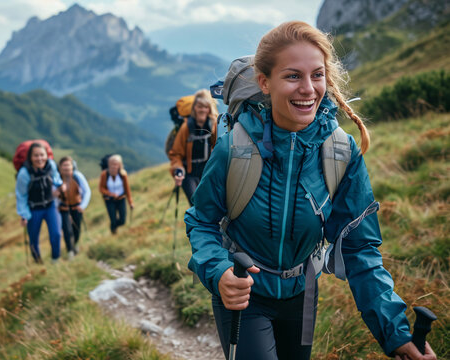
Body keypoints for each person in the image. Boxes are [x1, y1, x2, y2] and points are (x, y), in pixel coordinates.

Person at [185, 21, 437, 360]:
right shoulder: (235, 149)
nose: (308, 89)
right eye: (292, 76)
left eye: (317, 75)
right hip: (245, 293)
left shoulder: (341, 153)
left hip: (302, 293)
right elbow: (202, 222)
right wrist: (219, 273)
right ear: (265, 82)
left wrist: (395, 334)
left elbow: (359, 249)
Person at [168, 89, 219, 205]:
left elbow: (219, 148)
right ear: (194, 108)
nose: (202, 109)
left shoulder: (213, 126)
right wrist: (178, 170)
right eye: (199, 106)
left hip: (207, 173)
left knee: (209, 205)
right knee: (196, 204)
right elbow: (176, 153)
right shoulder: (186, 128)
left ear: (209, 109)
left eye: (205, 107)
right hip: (189, 175)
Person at [16, 142, 64, 264]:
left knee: (56, 234)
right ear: (30, 157)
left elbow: (56, 177)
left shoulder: (51, 165)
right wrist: (23, 215)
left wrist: (59, 186)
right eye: (36, 155)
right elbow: (21, 195)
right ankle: (38, 263)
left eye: (42, 155)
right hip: (33, 209)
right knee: (33, 239)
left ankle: (55, 260)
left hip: (50, 206)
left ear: (47, 156)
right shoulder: (24, 173)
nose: (39, 158)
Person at [57, 156, 91, 258]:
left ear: (72, 166)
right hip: (63, 209)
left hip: (77, 207)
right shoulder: (57, 178)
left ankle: (75, 244)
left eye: (68, 165)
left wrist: (83, 205)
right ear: (60, 167)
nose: (66, 167)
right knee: (67, 230)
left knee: (76, 229)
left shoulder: (77, 176)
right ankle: (70, 251)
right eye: (64, 165)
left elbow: (87, 191)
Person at [99, 154, 134, 234]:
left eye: (116, 164)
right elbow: (101, 188)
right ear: (109, 164)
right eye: (112, 164)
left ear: (120, 165)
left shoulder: (123, 174)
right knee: (113, 219)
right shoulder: (105, 174)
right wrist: (110, 194)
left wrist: (130, 202)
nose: (114, 166)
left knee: (122, 220)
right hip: (109, 200)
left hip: (121, 199)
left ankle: (113, 226)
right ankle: (114, 232)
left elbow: (127, 189)